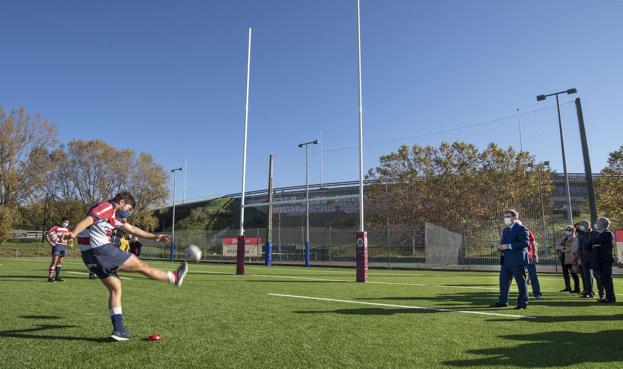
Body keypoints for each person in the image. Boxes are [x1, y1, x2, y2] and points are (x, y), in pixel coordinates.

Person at [64, 191, 188, 341]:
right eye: (128, 208)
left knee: (116, 288)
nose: (128, 212)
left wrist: (155, 236)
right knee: (142, 266)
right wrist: (73, 233)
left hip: (89, 257)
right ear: (121, 202)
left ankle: (119, 331)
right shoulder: (108, 206)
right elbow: (89, 218)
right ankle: (174, 277)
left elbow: (132, 229)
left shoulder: (111, 217)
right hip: (102, 251)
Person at [491, 209, 530, 310]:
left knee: (521, 282)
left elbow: (525, 242)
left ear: (515, 217)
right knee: (503, 282)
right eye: (505, 216)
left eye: (508, 216)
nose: (506, 218)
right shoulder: (506, 230)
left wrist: (508, 246)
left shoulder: (521, 228)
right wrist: (499, 246)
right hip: (506, 260)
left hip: (517, 260)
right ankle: (503, 301)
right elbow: (503, 243)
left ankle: (522, 303)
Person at [591, 217, 616, 303]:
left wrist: (596, 244)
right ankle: (608, 297)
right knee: (604, 280)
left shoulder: (607, 233)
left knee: (606, 280)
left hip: (605, 260)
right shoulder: (602, 233)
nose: (596, 224)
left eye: (597, 222)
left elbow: (594, 242)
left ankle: (610, 298)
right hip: (602, 260)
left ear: (602, 224)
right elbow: (595, 243)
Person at [45, 217, 72, 282]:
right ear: (61, 221)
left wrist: (70, 243)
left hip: (64, 246)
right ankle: (50, 277)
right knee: (54, 262)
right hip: (57, 246)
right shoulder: (55, 227)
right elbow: (46, 235)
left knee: (60, 262)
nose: (66, 224)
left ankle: (57, 277)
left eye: (67, 222)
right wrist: (50, 242)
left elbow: (70, 237)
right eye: (65, 222)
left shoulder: (67, 229)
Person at [577, 220, 598, 298]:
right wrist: (578, 256)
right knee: (586, 275)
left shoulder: (594, 233)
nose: (580, 226)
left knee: (595, 275)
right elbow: (580, 246)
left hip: (592, 257)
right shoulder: (581, 234)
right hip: (583, 257)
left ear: (587, 225)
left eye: (581, 224)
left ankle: (600, 292)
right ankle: (588, 291)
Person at [556, 225, 580, 293]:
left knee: (574, 274)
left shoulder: (574, 238)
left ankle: (577, 288)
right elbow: (558, 246)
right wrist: (562, 248)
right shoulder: (564, 238)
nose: (567, 231)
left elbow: (571, 248)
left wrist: (562, 248)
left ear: (573, 231)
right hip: (563, 258)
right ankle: (568, 287)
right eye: (566, 229)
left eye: (569, 230)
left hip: (571, 258)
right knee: (565, 274)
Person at [525, 227, 542, 299]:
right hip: (521, 257)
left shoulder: (528, 235)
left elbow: (533, 246)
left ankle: (537, 293)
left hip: (529, 258)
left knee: (533, 276)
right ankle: (525, 293)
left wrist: (533, 256)